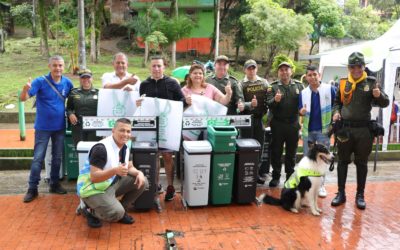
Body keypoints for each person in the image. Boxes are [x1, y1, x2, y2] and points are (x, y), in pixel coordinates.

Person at [331, 52, 389, 210]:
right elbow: (337, 103)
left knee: (361, 163)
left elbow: (385, 102)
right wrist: (336, 112)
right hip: (345, 129)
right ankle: (340, 193)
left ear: (364, 66)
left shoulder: (371, 82)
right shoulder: (343, 83)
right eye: (353, 66)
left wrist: (378, 96)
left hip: (363, 131)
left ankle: (360, 195)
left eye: (359, 66)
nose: (356, 69)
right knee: (342, 162)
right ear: (349, 68)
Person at [20, 55, 74, 202]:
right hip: (43, 127)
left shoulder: (68, 83)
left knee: (57, 157)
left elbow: (74, 101)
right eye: (55, 65)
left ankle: (54, 184)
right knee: (38, 158)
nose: (58, 68)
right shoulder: (40, 81)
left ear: (64, 67)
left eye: (60, 65)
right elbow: (23, 98)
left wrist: (71, 113)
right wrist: (25, 90)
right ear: (49, 66)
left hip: (59, 127)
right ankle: (32, 188)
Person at [77, 118, 147, 228]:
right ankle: (88, 210)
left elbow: (129, 166)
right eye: (122, 130)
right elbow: (94, 177)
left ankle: (122, 211)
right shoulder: (101, 148)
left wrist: (139, 173)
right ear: (113, 131)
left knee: (142, 181)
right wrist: (115, 170)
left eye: (128, 131)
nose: (125, 134)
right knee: (116, 214)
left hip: (109, 183)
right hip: (92, 189)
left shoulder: (125, 146)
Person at [138, 55, 188, 202]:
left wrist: (187, 102)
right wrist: (138, 104)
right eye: (154, 66)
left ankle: (171, 187)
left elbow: (181, 103)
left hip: (168, 126)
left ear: (164, 67)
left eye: (159, 66)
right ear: (150, 67)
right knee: (154, 155)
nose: (156, 69)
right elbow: (141, 106)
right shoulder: (144, 84)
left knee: (167, 156)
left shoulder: (173, 83)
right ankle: (156, 185)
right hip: (151, 127)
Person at [298, 65, 336, 197]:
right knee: (308, 159)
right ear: (306, 77)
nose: (313, 77)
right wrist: (301, 112)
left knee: (323, 159)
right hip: (308, 131)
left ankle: (321, 186)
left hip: (323, 130)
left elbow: (336, 105)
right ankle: (307, 186)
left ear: (319, 75)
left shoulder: (329, 89)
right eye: (310, 75)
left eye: (315, 74)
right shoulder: (303, 93)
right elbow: (300, 110)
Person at [265, 62, 304, 187]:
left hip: (293, 124)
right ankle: (276, 176)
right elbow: (268, 104)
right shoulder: (273, 87)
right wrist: (275, 101)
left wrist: (302, 114)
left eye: (286, 70)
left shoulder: (299, 86)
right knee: (276, 151)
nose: (284, 72)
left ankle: (290, 176)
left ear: (291, 71)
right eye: (281, 70)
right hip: (278, 124)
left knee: (291, 152)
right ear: (278, 73)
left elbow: (303, 105)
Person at [239, 59, 270, 182]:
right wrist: (249, 105)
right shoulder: (241, 84)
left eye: (253, 68)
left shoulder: (264, 82)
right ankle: (245, 173)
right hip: (246, 120)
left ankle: (256, 173)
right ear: (245, 70)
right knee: (246, 147)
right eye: (249, 68)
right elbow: (239, 102)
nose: (251, 70)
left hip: (259, 119)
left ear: (256, 69)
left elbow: (269, 99)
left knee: (259, 146)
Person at [67, 69, 101, 146]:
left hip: (94, 126)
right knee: (80, 149)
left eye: (88, 77)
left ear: (92, 78)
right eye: (83, 78)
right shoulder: (74, 92)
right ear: (80, 79)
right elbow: (69, 108)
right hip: (78, 126)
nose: (86, 80)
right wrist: (70, 114)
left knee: (94, 149)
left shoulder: (99, 93)